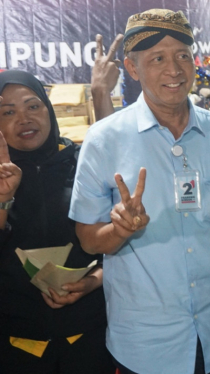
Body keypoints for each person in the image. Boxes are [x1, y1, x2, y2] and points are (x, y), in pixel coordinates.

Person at [68, 9, 210, 374]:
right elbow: (87, 239)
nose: (175, 69)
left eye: (183, 55)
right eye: (158, 59)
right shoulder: (104, 139)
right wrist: (120, 230)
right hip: (147, 342)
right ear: (132, 69)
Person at [0, 71, 113, 374]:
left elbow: (115, 242)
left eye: (32, 106)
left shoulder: (81, 163)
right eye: (8, 112)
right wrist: (3, 200)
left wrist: (93, 281)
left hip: (87, 335)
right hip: (17, 342)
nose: (23, 118)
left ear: (48, 110)